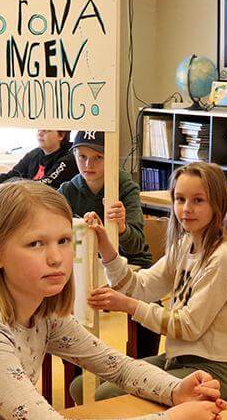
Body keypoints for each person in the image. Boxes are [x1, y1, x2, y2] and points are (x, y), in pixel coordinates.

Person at [0, 180, 227, 420]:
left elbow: (117, 366)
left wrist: (175, 391)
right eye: (36, 244)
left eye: (63, 241)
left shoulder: (43, 310)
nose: (56, 258)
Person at [81, 162, 227, 402]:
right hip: (179, 358)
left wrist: (128, 305)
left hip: (214, 370)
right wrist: (105, 245)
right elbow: (138, 286)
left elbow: (187, 326)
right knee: (83, 385)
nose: (186, 209)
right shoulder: (185, 244)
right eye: (180, 199)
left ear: (217, 204)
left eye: (198, 200)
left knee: (106, 394)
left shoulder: (222, 258)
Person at [57, 130, 160, 360]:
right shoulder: (67, 190)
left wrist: (121, 227)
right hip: (84, 266)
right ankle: (79, 373)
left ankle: (146, 366)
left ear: (110, 158)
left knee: (150, 304)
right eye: (82, 156)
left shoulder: (125, 187)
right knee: (69, 310)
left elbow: (136, 246)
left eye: (98, 158)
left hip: (129, 263)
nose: (87, 164)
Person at [0, 130, 75, 193]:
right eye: (39, 129)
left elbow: (43, 186)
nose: (40, 133)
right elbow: (13, 175)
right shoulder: (35, 153)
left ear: (61, 135)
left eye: (46, 130)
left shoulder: (69, 157)